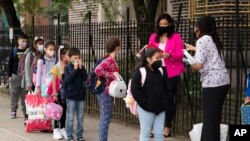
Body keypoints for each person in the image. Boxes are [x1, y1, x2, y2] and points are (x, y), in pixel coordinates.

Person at [187, 16, 230, 141]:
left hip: (212, 83)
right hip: (223, 82)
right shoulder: (213, 39)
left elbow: (199, 64)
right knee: (213, 119)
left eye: (195, 26)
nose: (194, 29)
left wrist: (191, 66)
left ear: (199, 27)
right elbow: (210, 55)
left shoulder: (202, 40)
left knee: (210, 121)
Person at [148, 13, 185, 137]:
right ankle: (155, 126)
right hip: (156, 70)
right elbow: (149, 51)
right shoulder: (154, 37)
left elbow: (181, 54)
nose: (163, 26)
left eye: (165, 24)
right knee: (156, 97)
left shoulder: (176, 37)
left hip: (171, 70)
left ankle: (167, 127)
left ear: (169, 24)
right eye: (160, 24)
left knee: (169, 99)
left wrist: (170, 55)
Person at [131, 48, 169, 141]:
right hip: (146, 109)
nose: (160, 60)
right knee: (145, 133)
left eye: (160, 58)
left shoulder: (160, 71)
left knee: (159, 133)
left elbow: (164, 88)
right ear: (148, 59)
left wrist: (164, 103)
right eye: (157, 58)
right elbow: (135, 91)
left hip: (160, 108)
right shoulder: (140, 72)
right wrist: (145, 104)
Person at [94, 37, 120, 141]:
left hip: (107, 91)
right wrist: (112, 75)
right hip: (105, 91)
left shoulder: (110, 59)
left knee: (104, 117)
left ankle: (102, 138)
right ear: (117, 47)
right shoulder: (109, 60)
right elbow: (97, 70)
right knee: (106, 118)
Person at [64, 48, 87, 141]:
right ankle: (69, 136)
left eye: (78, 58)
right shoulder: (67, 68)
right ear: (69, 58)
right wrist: (75, 69)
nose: (77, 60)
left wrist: (81, 68)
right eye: (75, 58)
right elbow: (67, 80)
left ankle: (79, 135)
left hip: (81, 96)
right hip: (71, 97)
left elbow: (85, 77)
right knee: (70, 118)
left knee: (80, 117)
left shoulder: (81, 68)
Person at [8, 34, 29, 119]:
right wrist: (9, 75)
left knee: (25, 95)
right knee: (14, 94)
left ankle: (25, 112)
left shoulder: (28, 51)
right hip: (15, 76)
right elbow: (10, 63)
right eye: (23, 41)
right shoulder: (14, 51)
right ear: (18, 41)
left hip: (25, 76)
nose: (24, 43)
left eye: (26, 41)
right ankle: (13, 110)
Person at [51, 47, 69, 140]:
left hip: (66, 93)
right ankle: (56, 129)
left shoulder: (69, 66)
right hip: (58, 92)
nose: (70, 56)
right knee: (57, 111)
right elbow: (53, 81)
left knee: (64, 111)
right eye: (68, 55)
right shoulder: (57, 66)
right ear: (63, 56)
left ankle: (63, 128)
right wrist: (54, 94)